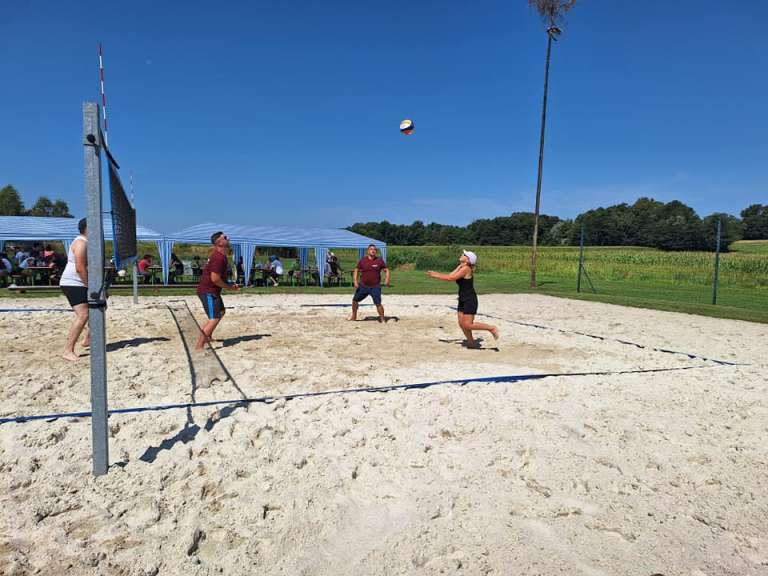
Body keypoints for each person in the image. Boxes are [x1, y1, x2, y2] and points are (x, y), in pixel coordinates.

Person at [426, 250, 499, 348]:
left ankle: (491, 328)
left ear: (468, 259)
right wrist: (459, 265)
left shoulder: (466, 269)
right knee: (461, 323)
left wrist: (436, 275)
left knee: (468, 325)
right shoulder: (462, 267)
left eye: (464, 254)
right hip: (462, 299)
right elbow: (450, 275)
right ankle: (471, 342)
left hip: (470, 299)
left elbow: (450, 279)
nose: (461, 254)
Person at [195, 231, 240, 350]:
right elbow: (214, 279)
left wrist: (229, 284)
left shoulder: (220, 256)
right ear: (219, 242)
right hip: (208, 291)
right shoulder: (218, 258)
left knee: (221, 312)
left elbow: (217, 278)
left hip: (212, 291)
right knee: (214, 318)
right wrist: (229, 287)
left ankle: (208, 336)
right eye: (225, 237)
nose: (228, 238)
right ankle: (199, 346)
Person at [60, 218, 91, 361]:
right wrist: (91, 287)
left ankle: (88, 339)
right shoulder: (81, 243)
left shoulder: (87, 243)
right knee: (83, 314)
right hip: (73, 283)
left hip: (80, 282)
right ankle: (68, 350)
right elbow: (79, 268)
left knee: (99, 308)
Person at [349, 244, 390, 322]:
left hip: (375, 287)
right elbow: (356, 270)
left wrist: (387, 279)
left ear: (376, 251)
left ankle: (382, 318)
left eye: (374, 249)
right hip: (363, 286)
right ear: (368, 251)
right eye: (371, 249)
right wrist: (355, 281)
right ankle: (354, 316)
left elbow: (386, 270)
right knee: (355, 300)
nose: (373, 250)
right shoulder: (363, 260)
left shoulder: (379, 260)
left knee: (378, 303)